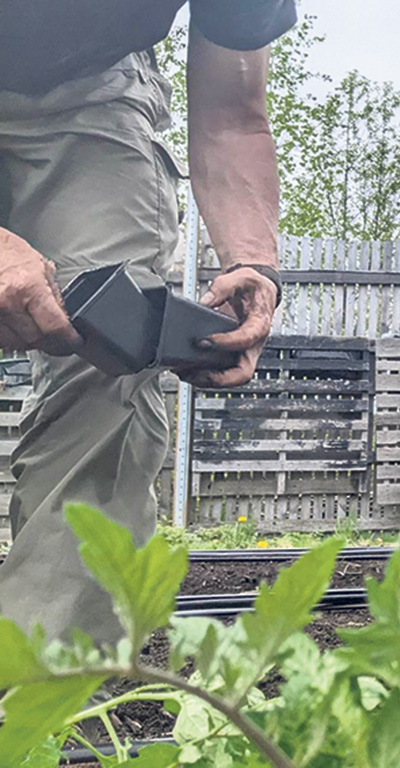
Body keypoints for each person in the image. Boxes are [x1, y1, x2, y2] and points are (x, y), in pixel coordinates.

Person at [0, 0, 291, 647]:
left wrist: (253, 262)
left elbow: (233, 115)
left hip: (90, 93)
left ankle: (39, 693)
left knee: (111, 355)